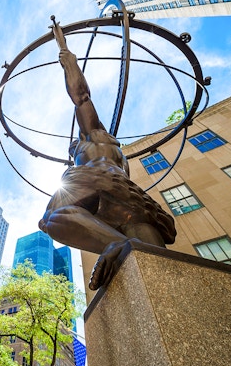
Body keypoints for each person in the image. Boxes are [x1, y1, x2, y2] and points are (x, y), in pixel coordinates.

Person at [39, 19, 176, 290]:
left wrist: (68, 57)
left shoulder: (94, 136)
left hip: (100, 183)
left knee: (51, 219)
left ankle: (116, 244)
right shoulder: (115, 156)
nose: (72, 148)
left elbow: (81, 98)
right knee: (154, 263)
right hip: (120, 196)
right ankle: (121, 245)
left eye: (73, 146)